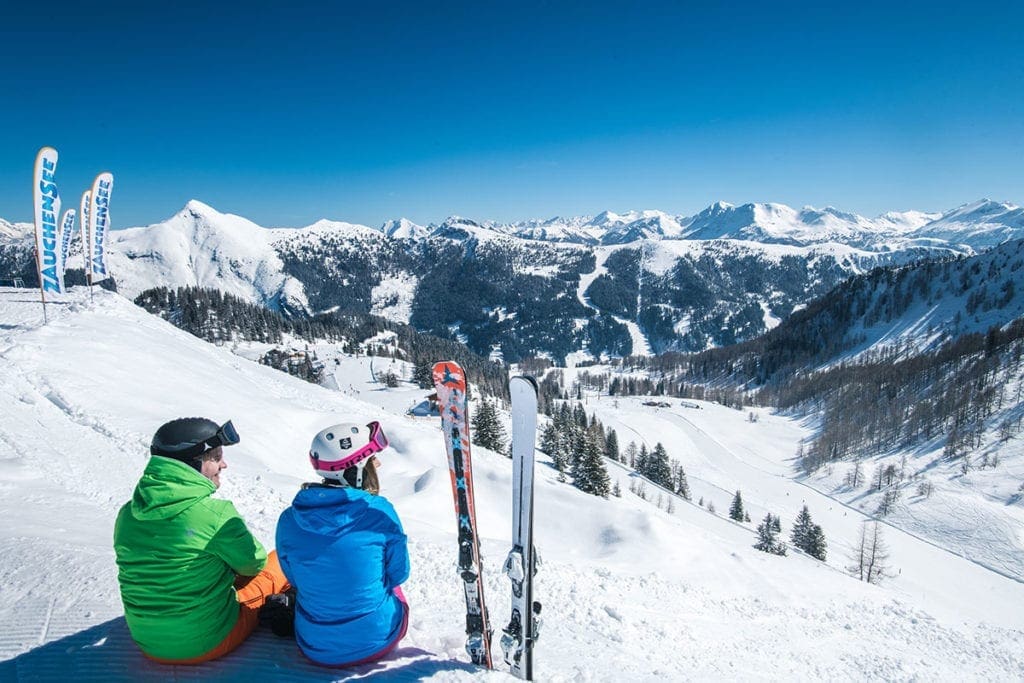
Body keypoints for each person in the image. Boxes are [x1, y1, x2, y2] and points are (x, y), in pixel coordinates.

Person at [113, 417, 290, 664]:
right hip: (206, 642)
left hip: (147, 642)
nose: (224, 464)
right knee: (279, 561)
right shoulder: (214, 515)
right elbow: (254, 565)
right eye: (216, 457)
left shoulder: (127, 514)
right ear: (193, 463)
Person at [276, 421, 410, 667]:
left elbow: (294, 579)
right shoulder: (379, 513)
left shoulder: (289, 520)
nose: (376, 465)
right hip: (378, 639)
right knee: (393, 589)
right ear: (356, 470)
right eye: (371, 460)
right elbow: (399, 574)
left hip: (315, 645)